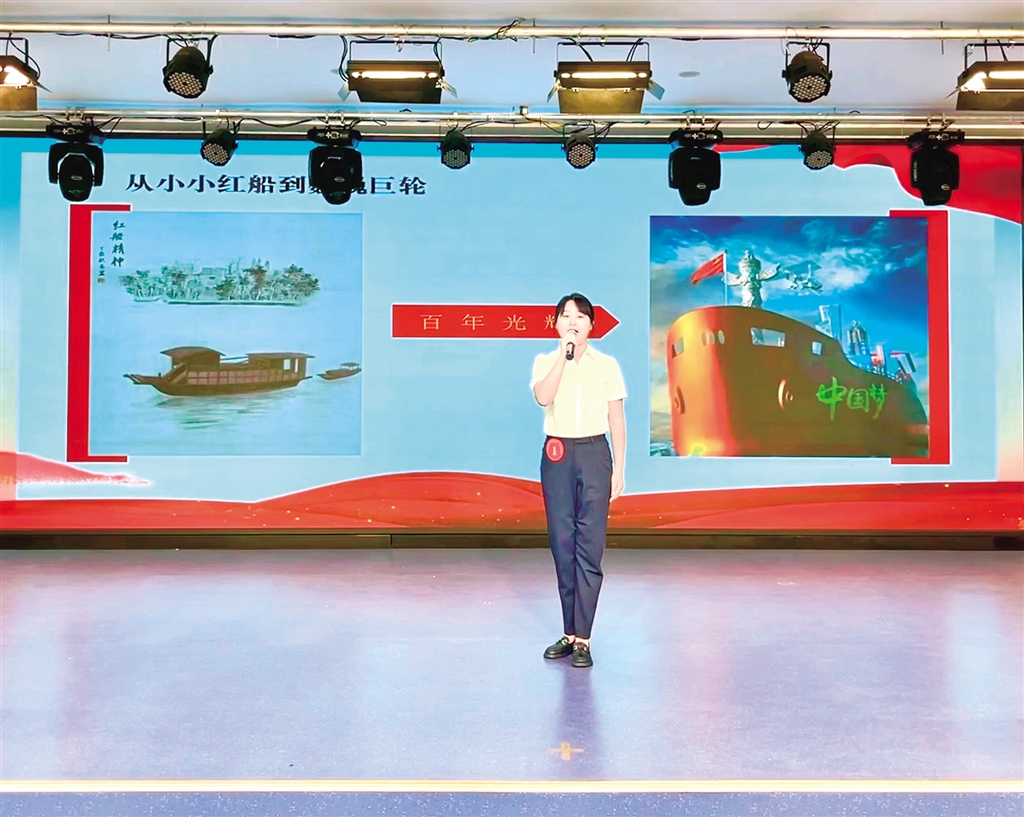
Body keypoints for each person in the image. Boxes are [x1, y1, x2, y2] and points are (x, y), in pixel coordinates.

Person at [530, 293, 626, 668]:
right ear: (556, 323)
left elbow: (616, 419)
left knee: (590, 545)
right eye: (566, 316)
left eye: (580, 317)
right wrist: (563, 357)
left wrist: (619, 469)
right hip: (557, 455)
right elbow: (544, 397)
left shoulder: (607, 365)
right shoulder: (545, 361)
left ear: (591, 325)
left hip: (594, 453)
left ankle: (584, 638)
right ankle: (569, 633)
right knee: (562, 543)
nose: (573, 322)